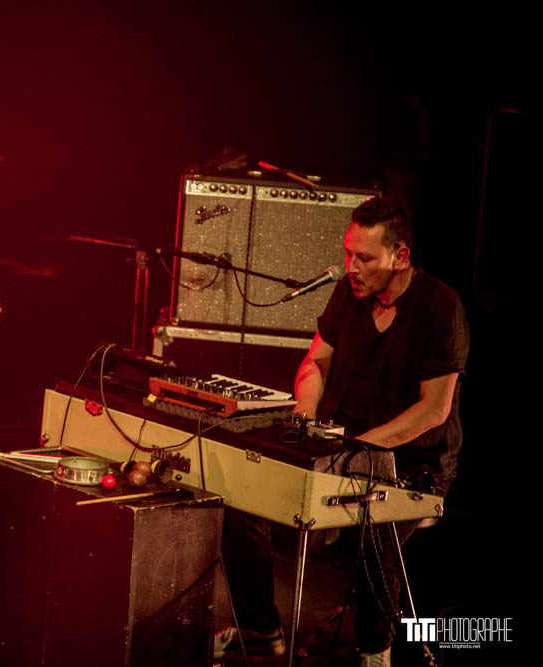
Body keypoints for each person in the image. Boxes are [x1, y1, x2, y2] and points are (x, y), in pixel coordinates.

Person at [215, 197, 469, 666]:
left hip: (413, 465)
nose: (350, 267)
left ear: (401, 256)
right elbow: (315, 362)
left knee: (376, 526)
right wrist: (306, 416)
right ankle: (259, 627)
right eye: (349, 253)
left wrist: (357, 450)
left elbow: (433, 410)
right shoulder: (348, 296)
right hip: (341, 448)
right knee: (239, 499)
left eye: (365, 258)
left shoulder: (440, 307)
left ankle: (376, 653)